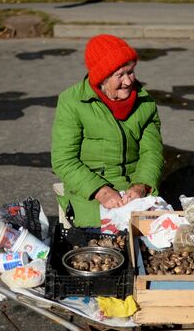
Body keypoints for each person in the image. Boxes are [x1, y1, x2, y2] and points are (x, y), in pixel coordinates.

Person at [51, 34, 164, 228]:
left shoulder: (145, 102)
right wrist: (101, 192)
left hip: (134, 191)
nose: (128, 82)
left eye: (130, 72)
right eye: (120, 75)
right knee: (105, 243)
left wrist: (141, 186)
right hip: (90, 191)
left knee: (157, 240)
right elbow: (64, 160)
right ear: (102, 79)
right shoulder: (72, 102)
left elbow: (151, 152)